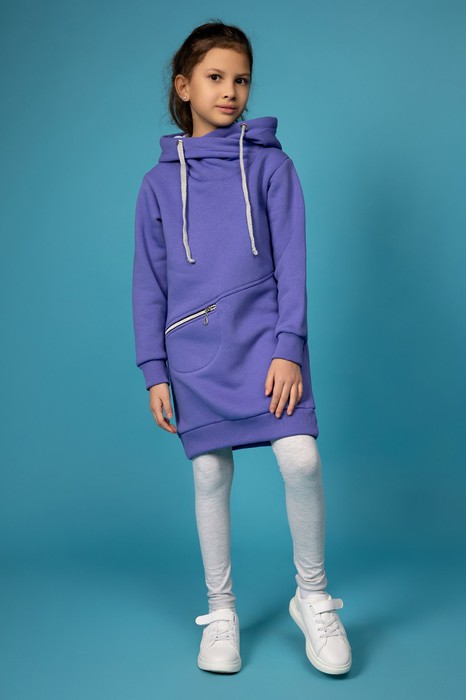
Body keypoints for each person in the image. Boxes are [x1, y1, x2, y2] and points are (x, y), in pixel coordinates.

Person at [132, 20, 352, 676]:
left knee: (301, 459)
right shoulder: (156, 185)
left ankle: (312, 597)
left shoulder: (272, 167)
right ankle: (220, 612)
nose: (230, 91)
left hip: (267, 342)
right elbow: (149, 282)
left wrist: (289, 347)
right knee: (209, 473)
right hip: (194, 351)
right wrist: (154, 369)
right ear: (184, 86)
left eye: (242, 79)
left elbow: (293, 263)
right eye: (215, 77)